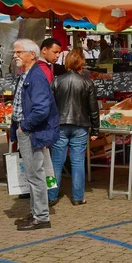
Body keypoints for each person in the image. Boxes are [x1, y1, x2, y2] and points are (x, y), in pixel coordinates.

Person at [10, 39, 60, 231]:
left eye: (19, 52)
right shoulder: (27, 73)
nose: (15, 56)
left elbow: (41, 109)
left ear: (32, 54)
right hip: (28, 131)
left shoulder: (36, 76)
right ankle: (36, 213)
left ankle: (41, 217)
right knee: (32, 174)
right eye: (14, 52)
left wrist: (24, 126)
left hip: (32, 132)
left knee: (35, 174)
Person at [49, 48, 100, 206]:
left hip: (59, 125)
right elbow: (93, 109)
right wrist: (96, 129)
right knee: (78, 162)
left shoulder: (56, 81)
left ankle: (50, 196)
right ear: (81, 64)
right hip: (80, 125)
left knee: (55, 163)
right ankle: (78, 197)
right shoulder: (87, 82)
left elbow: (49, 106)